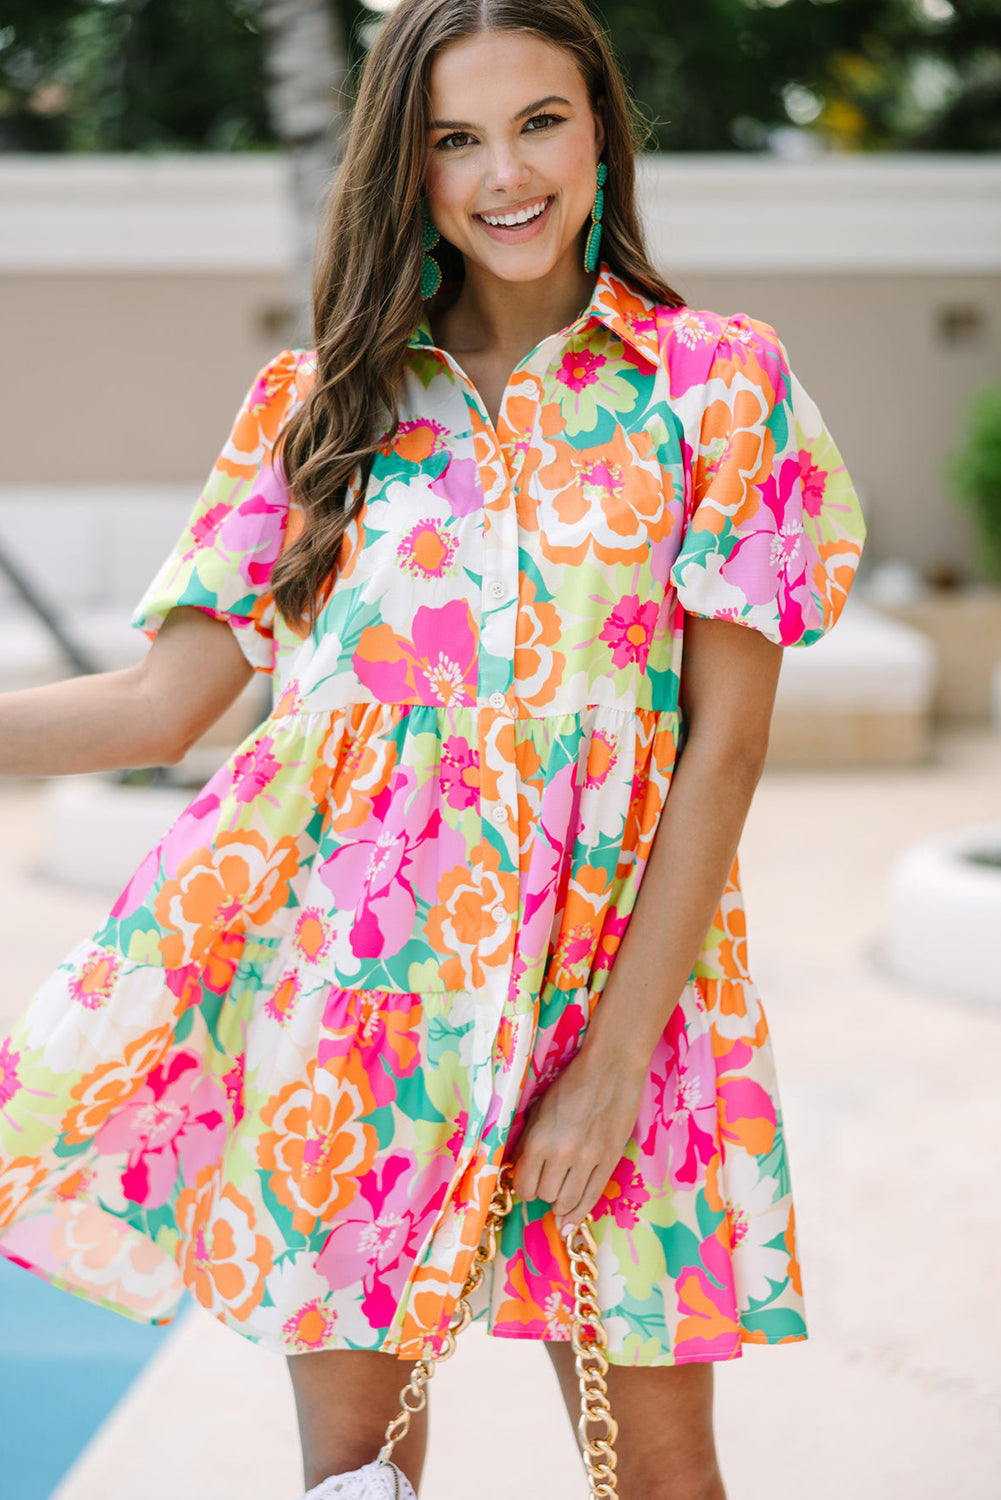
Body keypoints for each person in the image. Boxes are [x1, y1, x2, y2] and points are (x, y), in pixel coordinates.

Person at [0, 1, 866, 1496]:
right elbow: (161, 706)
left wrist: (608, 1068)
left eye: (539, 122)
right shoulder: (320, 406)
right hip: (363, 1013)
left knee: (661, 1478)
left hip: (621, 1012)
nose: (503, 174)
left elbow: (722, 750)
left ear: (601, 130)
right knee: (359, 1479)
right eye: (455, 139)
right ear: (408, 169)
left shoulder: (717, 384)